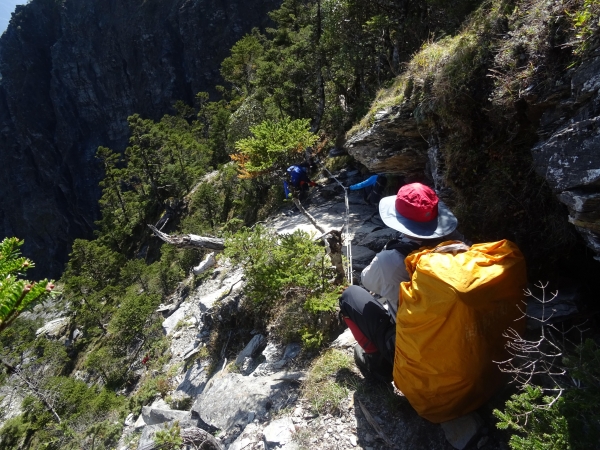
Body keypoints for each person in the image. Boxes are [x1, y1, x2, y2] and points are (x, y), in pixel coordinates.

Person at [339, 182, 463, 382]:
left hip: (416, 345)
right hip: (456, 336)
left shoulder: (392, 260)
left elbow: (367, 281)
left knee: (350, 296)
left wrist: (388, 252)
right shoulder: (461, 244)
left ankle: (379, 365)